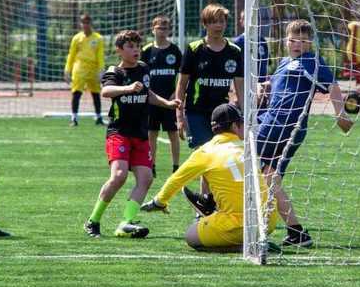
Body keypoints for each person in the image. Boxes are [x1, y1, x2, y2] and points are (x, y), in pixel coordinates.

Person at [255, 19, 353, 247]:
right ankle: (295, 232)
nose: (296, 44)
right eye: (292, 40)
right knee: (269, 177)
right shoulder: (283, 62)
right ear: (285, 41)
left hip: (286, 125)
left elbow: (332, 85)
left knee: (251, 169)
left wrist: (340, 114)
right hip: (269, 122)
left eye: (302, 40)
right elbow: (278, 85)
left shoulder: (311, 62)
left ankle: (226, 212)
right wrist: (265, 87)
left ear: (309, 43)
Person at [84, 30, 180, 239]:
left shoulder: (144, 68)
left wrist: (167, 103)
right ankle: (93, 221)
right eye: (130, 46)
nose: (135, 49)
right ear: (119, 50)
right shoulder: (114, 72)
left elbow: (148, 94)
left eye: (137, 46)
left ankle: (125, 223)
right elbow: (106, 92)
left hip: (140, 134)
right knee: (118, 176)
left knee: (145, 178)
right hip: (119, 133)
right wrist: (127, 88)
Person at [141, 103, 276, 251]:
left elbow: (176, 179)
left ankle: (244, 247)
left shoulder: (206, 151)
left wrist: (159, 202)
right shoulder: (247, 148)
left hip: (237, 224)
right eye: (241, 123)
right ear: (234, 126)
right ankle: (210, 206)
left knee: (191, 236)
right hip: (268, 221)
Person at [176, 4, 243, 149]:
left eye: (222, 21)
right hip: (196, 112)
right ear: (205, 24)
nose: (218, 25)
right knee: (204, 153)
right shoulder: (194, 49)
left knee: (222, 154)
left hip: (223, 114)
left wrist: (243, 116)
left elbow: (240, 88)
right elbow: (181, 85)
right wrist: (179, 116)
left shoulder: (234, 51)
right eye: (213, 21)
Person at [142, 15, 182, 173]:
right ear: (153, 29)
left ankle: (176, 166)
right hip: (152, 100)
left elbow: (183, 74)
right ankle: (151, 164)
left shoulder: (174, 51)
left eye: (165, 28)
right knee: (152, 133)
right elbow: (141, 73)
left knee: (173, 133)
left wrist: (175, 93)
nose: (162, 31)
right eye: (159, 28)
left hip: (170, 100)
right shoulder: (146, 51)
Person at [65, 14, 105, 127]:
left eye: (87, 22)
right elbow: (71, 55)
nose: (85, 25)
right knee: (76, 93)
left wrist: (101, 70)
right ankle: (74, 118)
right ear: (80, 24)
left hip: (93, 68)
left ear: (90, 24)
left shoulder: (98, 38)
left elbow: (100, 56)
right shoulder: (76, 38)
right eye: (83, 23)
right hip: (80, 68)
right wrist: (67, 70)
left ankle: (99, 117)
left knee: (96, 93)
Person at [234, 10, 270, 84]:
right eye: (246, 18)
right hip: (245, 84)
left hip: (261, 83)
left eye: (253, 19)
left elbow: (267, 63)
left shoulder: (262, 41)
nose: (250, 21)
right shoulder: (238, 42)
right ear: (241, 22)